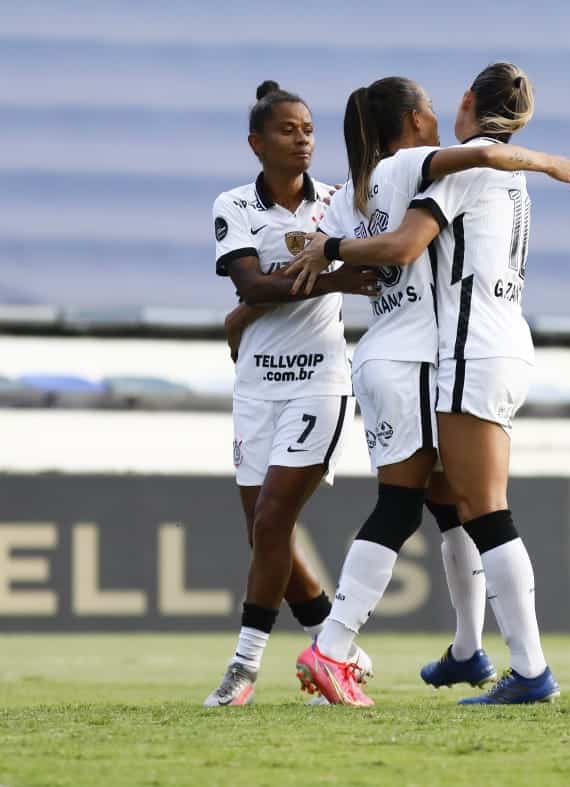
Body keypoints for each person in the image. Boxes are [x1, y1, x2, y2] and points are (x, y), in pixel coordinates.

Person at [287, 62, 570, 705]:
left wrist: (326, 250)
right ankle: (470, 654)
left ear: (465, 103)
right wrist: (544, 161)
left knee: (457, 506)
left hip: (437, 355)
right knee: (457, 506)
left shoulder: (390, 180)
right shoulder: (456, 169)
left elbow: (333, 241)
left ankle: (480, 656)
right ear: (417, 120)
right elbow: (397, 240)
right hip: (458, 353)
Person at [203, 80, 381, 707]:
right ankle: (338, 651)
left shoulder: (336, 203)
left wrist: (259, 303)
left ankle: (243, 668)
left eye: (308, 128)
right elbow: (250, 285)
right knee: (264, 533)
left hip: (318, 383)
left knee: (275, 519)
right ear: (257, 142)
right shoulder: (234, 206)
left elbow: (371, 269)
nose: (303, 138)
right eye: (287, 129)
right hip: (255, 386)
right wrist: (329, 277)